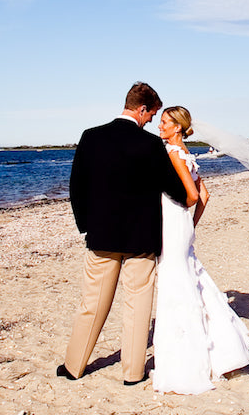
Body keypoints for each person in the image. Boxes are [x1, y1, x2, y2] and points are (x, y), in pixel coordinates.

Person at [57, 82, 189, 385]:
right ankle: (132, 373)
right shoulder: (151, 146)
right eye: (152, 115)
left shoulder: (91, 138)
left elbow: (76, 187)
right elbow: (177, 190)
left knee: (92, 304)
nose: (151, 122)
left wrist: (87, 226)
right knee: (137, 306)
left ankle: (74, 367)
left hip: (102, 236)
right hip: (141, 238)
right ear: (141, 109)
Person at [151, 105, 249, 394]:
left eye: (164, 122)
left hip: (173, 228)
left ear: (176, 127)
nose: (160, 126)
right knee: (191, 279)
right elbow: (205, 197)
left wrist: (178, 214)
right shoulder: (187, 154)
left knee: (177, 285)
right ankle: (223, 350)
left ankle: (188, 359)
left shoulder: (173, 154)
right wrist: (191, 223)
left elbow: (194, 195)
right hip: (182, 227)